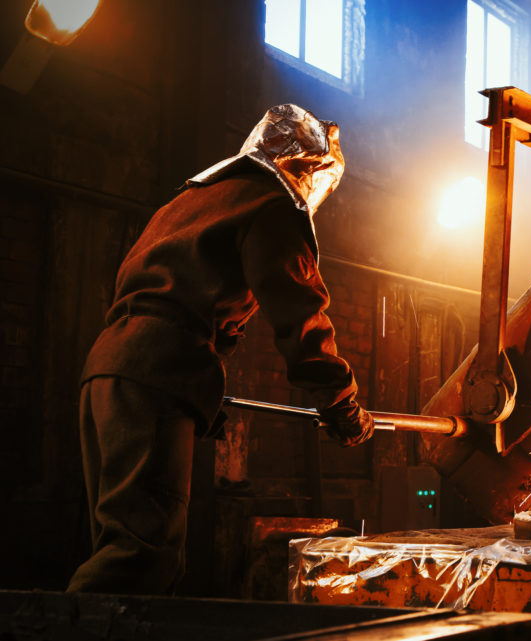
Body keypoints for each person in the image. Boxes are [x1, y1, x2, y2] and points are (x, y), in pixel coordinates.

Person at [66, 104, 374, 594]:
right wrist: (341, 402)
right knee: (139, 558)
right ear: (308, 168)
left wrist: (199, 391)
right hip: (155, 370)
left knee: (123, 542)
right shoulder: (271, 206)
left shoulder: (191, 202)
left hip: (110, 368)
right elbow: (298, 310)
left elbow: (189, 299)